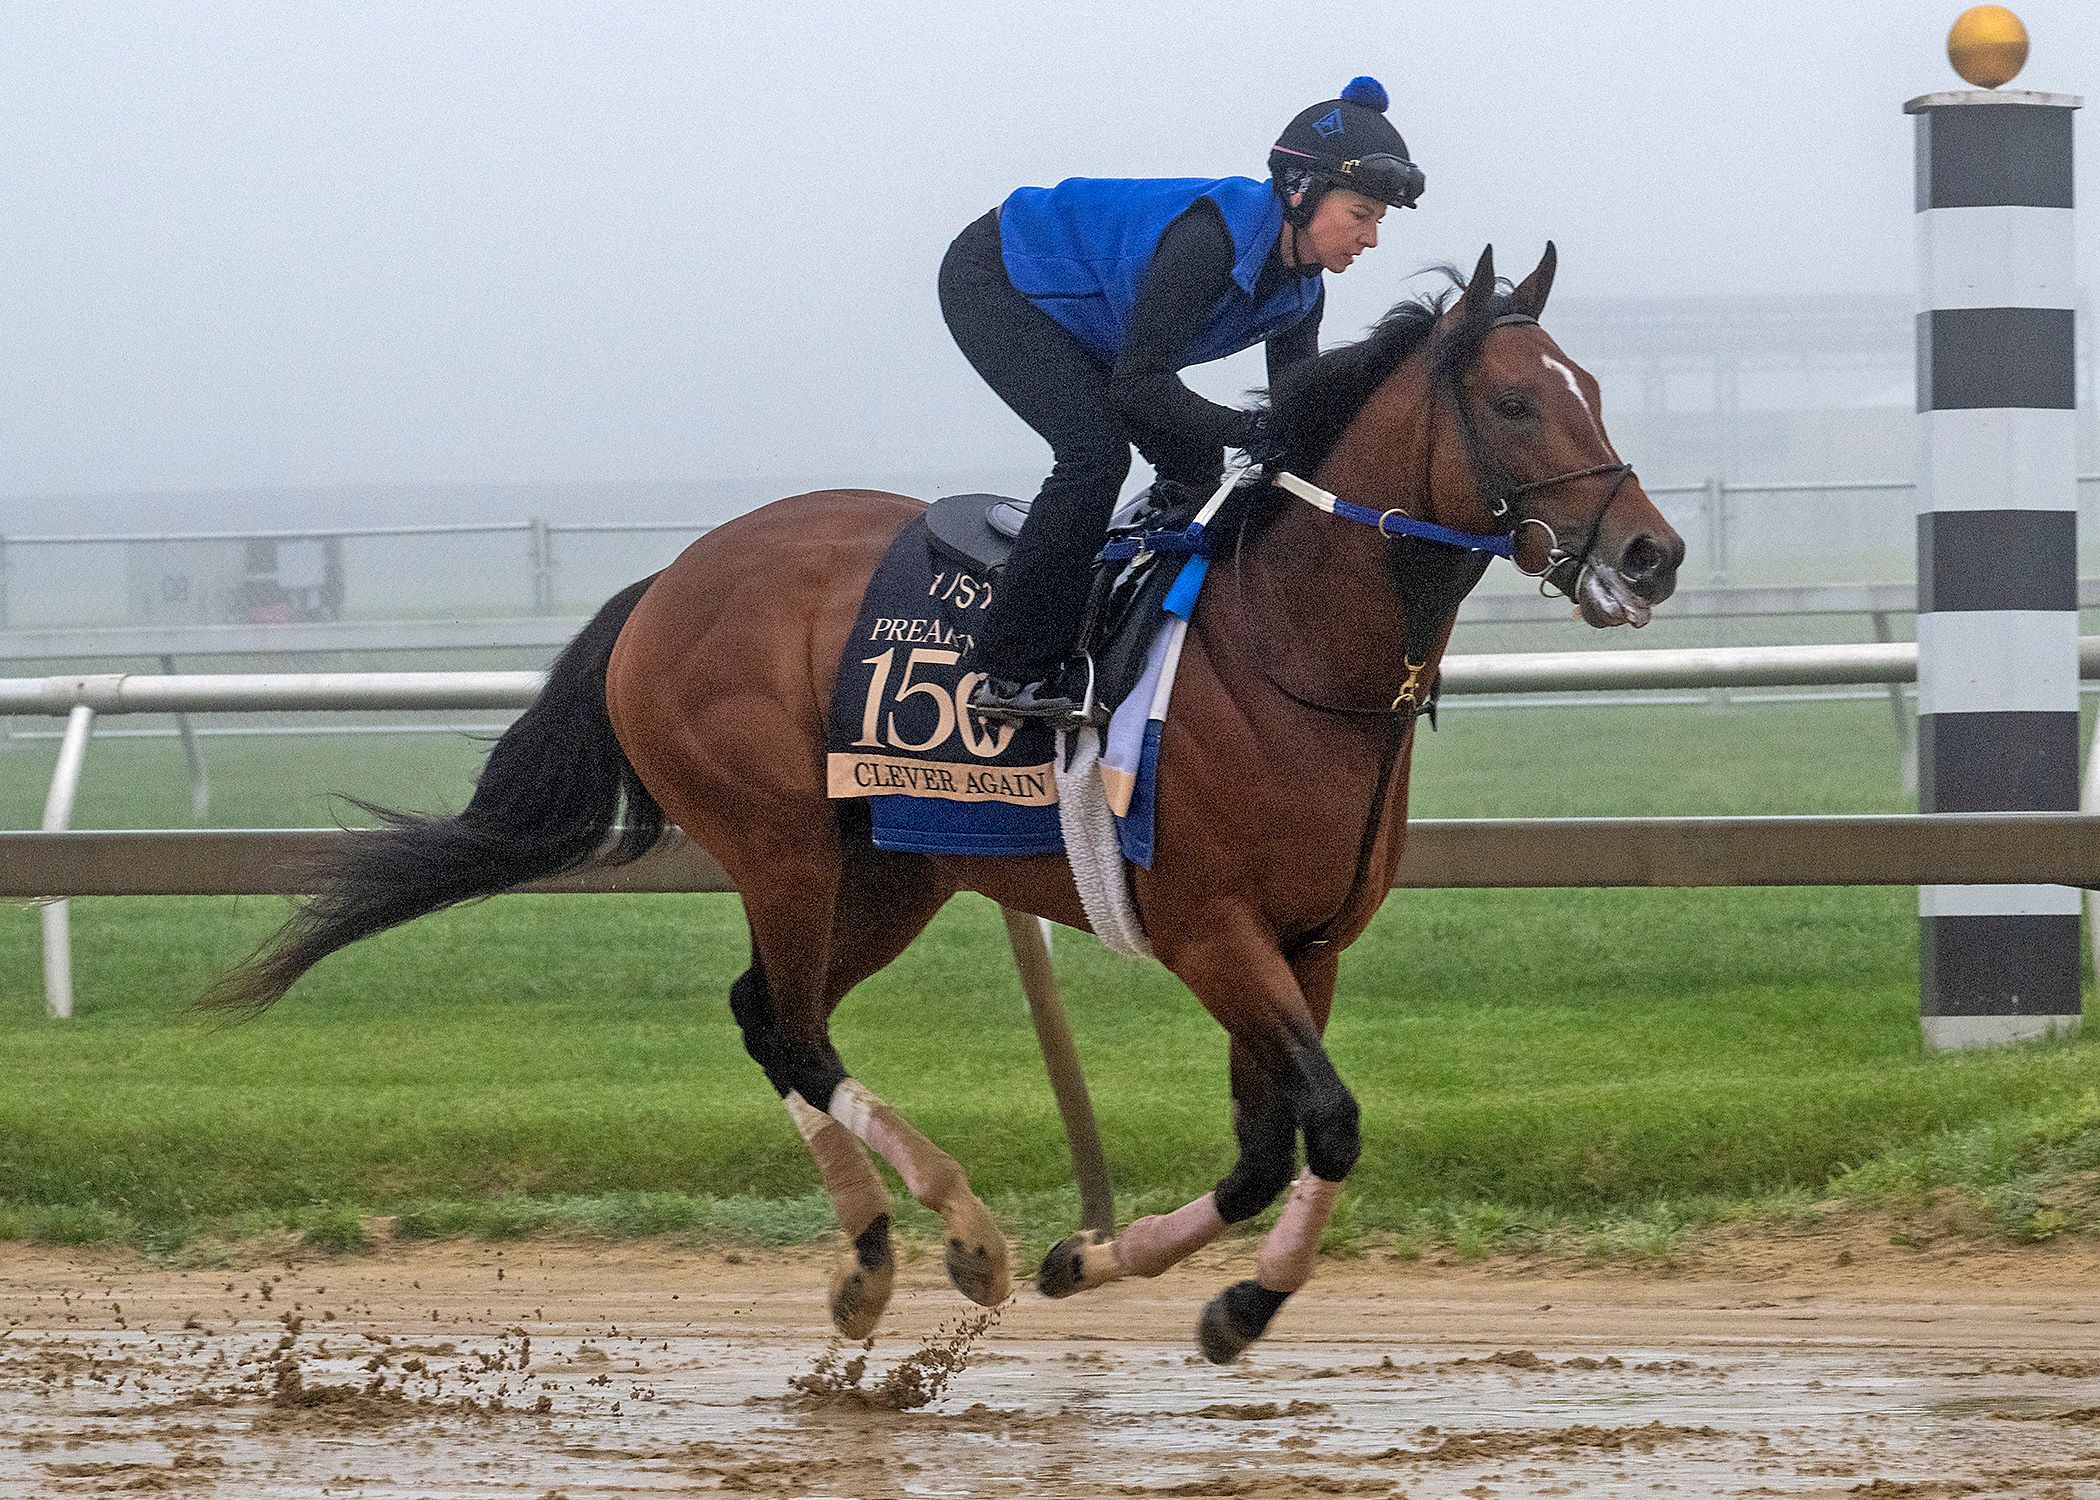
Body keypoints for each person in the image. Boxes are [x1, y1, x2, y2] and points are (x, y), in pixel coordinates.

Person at [938, 75, 1425, 721]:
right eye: (1360, 216)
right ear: (1300, 193)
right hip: (997, 277)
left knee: (1195, 475)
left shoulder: (1303, 291)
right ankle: (1007, 671)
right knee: (1094, 458)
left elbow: (1293, 419)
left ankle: (1118, 610)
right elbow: (1141, 388)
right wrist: (1247, 428)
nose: (1370, 239)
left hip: (1098, 320)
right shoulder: (1209, 241)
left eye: (1378, 221)